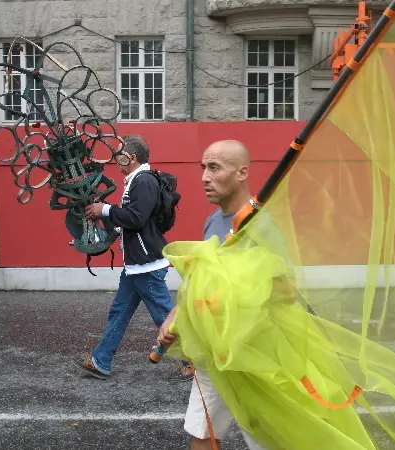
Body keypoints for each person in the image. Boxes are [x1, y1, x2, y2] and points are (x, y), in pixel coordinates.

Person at [157, 140, 267, 450]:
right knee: (202, 435)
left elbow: (284, 291)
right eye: (203, 167)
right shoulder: (213, 221)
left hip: (251, 355)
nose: (205, 176)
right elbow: (200, 281)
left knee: (268, 439)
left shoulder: (261, 224)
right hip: (213, 354)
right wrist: (177, 314)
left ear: (242, 172)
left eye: (215, 168)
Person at [72, 134, 194, 382]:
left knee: (164, 316)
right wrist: (96, 234)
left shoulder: (144, 181)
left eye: (119, 153)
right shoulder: (137, 180)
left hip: (146, 264)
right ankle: (101, 361)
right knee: (119, 312)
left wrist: (104, 210)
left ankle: (193, 361)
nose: (116, 157)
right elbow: (135, 221)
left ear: (132, 157)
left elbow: (136, 217)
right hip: (137, 265)